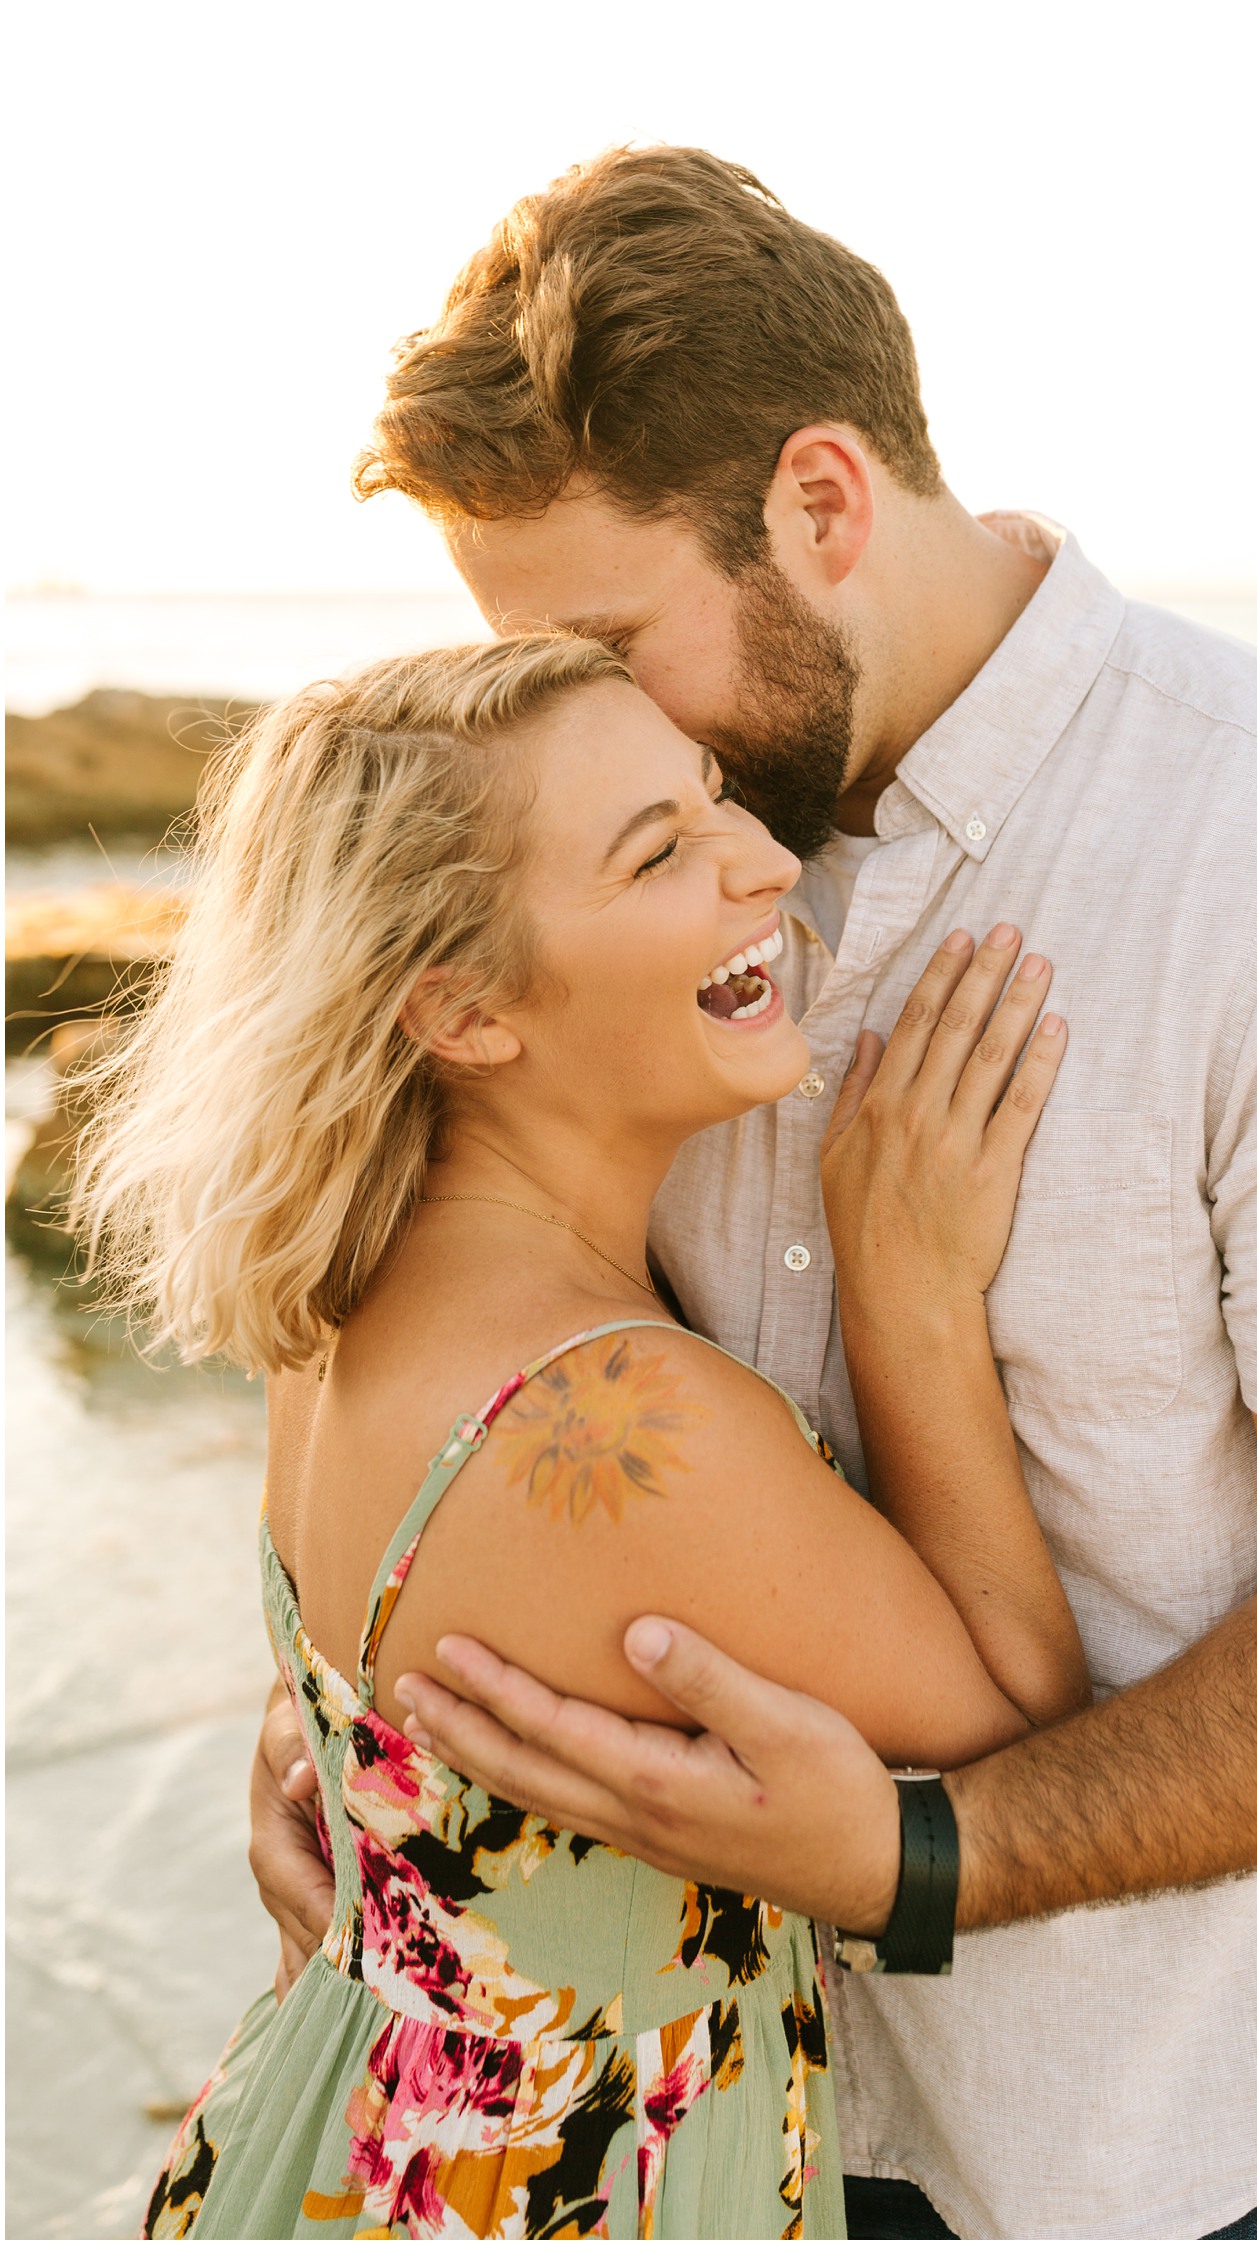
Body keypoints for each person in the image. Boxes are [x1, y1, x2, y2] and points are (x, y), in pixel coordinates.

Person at [247, 146, 1257, 2241]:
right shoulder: (637, 856)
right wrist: (365, 1773)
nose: (598, 711)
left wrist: (928, 1858)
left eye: (613, 638)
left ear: (824, 503)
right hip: (668, 2128)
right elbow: (430, 1313)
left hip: (1135, 2158)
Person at [73, 633, 1090, 2239]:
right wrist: (909, 1298)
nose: (765, 860)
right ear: (461, 1006)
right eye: (661, 849)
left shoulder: (333, 1293)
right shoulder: (624, 1423)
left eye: (712, 800)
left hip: (325, 2126)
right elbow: (1020, 1716)